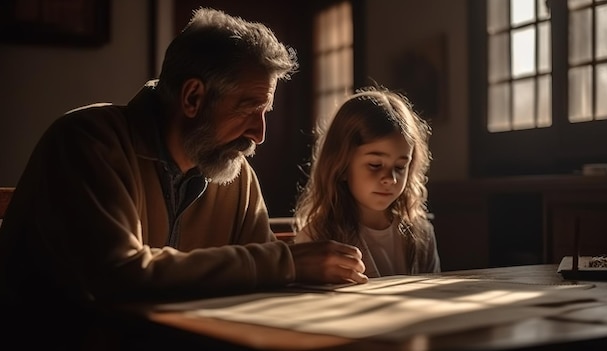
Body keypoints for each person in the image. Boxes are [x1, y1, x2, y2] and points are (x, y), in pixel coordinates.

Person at [0, 7, 367, 350]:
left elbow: (265, 281)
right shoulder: (88, 141)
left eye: (266, 111)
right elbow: (119, 276)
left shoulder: (236, 176)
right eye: (250, 109)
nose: (260, 134)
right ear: (193, 97)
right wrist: (288, 262)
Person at [293, 86, 441, 277]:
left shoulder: (421, 233)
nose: (390, 179)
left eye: (400, 167)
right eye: (375, 165)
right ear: (342, 165)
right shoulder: (318, 238)